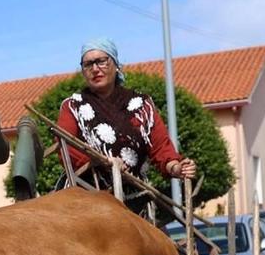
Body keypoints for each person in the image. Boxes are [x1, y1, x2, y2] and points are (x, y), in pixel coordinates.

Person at [57, 39, 198, 205]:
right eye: (88, 64)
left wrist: (176, 167)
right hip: (87, 197)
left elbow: (161, 147)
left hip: (134, 197)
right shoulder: (73, 106)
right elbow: (65, 145)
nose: (95, 69)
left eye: (101, 61)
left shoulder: (142, 105)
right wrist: (100, 161)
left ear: (116, 64)